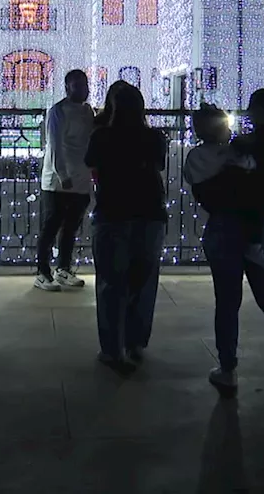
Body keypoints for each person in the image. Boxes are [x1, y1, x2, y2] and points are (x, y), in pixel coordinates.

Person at [189, 93, 264, 392]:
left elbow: (206, 191)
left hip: (223, 226)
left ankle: (228, 369)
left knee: (227, 302)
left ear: (251, 112)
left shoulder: (237, 146)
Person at [83, 83, 166, 371]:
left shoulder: (102, 136)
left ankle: (112, 348)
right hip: (149, 212)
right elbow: (159, 164)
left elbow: (90, 162)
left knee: (111, 282)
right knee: (143, 281)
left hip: (113, 211)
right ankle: (135, 342)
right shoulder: (154, 137)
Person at [35, 69, 95, 291]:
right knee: (51, 227)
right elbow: (55, 146)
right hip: (58, 182)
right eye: (77, 85)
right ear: (67, 87)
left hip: (81, 178)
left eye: (85, 85)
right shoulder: (57, 111)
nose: (83, 89)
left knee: (71, 227)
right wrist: (63, 175)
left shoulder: (88, 111)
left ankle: (63, 269)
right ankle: (42, 272)